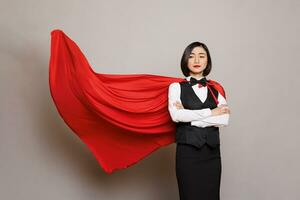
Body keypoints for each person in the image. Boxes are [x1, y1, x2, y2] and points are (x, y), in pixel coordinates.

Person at [168, 42, 231, 200]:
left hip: (212, 155)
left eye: (201, 56)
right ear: (185, 61)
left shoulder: (215, 89)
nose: (197, 60)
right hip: (188, 154)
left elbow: (224, 119)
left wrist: (190, 117)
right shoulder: (176, 87)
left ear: (207, 62)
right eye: (192, 56)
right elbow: (176, 116)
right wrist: (211, 112)